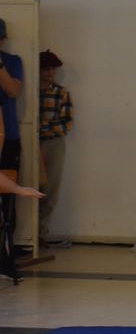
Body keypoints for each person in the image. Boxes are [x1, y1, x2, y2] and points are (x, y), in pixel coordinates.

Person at [38, 50, 74, 247]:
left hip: (53, 143)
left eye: (53, 69)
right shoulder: (31, 92)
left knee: (50, 190)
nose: (50, 73)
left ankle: (40, 233)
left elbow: (67, 124)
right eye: (46, 69)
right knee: (30, 187)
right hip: (32, 143)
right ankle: (26, 233)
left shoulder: (61, 93)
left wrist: (43, 127)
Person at [0, 19, 24, 233]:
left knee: (8, 193)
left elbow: (13, 91)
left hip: (8, 139)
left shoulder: (13, 61)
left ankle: (6, 243)